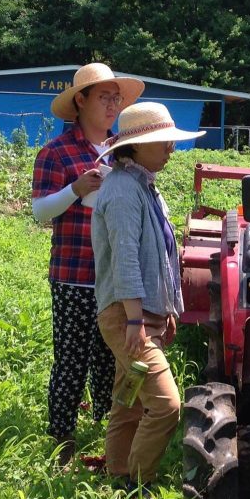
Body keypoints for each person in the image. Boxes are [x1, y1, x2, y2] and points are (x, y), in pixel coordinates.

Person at [32, 63, 144, 467]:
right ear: (80, 101)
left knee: (109, 357)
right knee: (71, 357)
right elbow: (40, 212)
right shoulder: (56, 152)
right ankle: (62, 435)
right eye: (104, 97)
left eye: (117, 97)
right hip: (75, 274)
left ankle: (104, 427)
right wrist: (75, 189)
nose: (113, 105)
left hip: (114, 276)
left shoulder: (123, 149)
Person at [90, 102, 204, 492]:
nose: (170, 148)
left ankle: (118, 472)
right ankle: (138, 482)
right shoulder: (123, 191)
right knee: (166, 406)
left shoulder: (143, 186)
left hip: (142, 316)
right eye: (162, 142)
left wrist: (167, 310)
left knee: (129, 399)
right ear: (135, 147)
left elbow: (159, 255)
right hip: (127, 318)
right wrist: (137, 321)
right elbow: (125, 260)